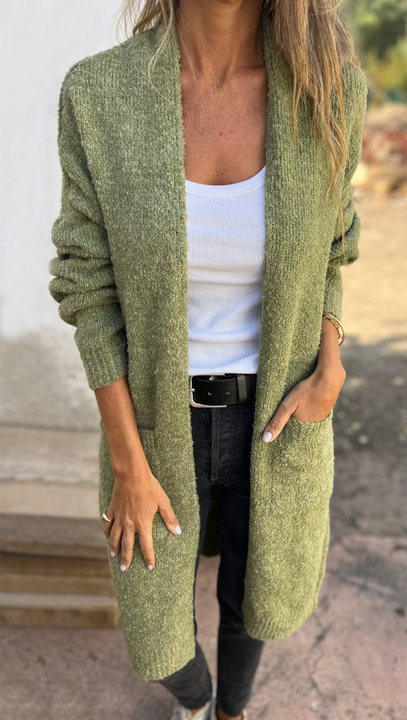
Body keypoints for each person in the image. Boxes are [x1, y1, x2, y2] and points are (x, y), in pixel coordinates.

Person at [48, 1, 368, 719]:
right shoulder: (100, 94)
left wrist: (331, 366)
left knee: (256, 602)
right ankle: (196, 700)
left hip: (279, 419)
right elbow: (86, 285)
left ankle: (230, 712)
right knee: (157, 638)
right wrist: (127, 462)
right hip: (157, 425)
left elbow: (334, 245)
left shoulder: (327, 88)